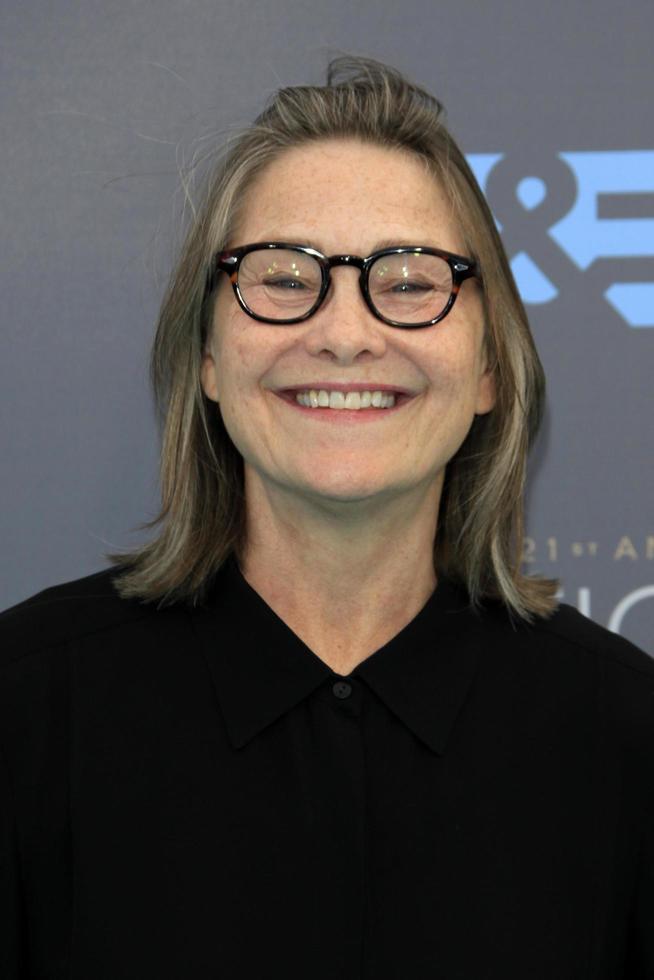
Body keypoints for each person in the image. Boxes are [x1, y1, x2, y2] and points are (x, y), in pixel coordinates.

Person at [1, 56, 652, 979]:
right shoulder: (25, 714)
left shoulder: (627, 739)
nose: (345, 332)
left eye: (412, 282)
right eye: (281, 277)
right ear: (212, 361)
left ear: (490, 370)